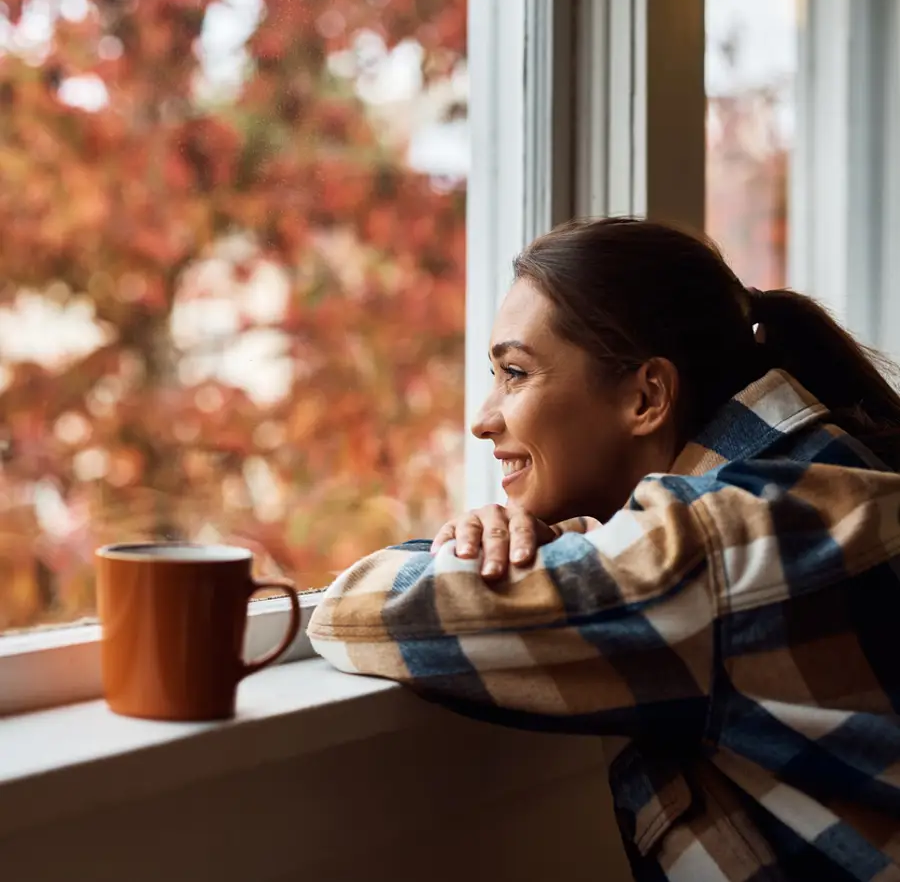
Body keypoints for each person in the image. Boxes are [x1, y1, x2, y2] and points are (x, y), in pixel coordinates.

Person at [307, 217, 900, 881]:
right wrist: (561, 541)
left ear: (646, 396)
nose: (482, 418)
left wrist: (504, 549)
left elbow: (355, 610)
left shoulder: (714, 548)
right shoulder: (826, 472)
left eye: (515, 373)